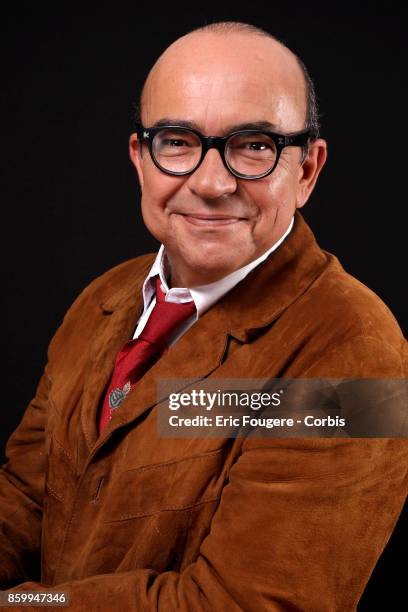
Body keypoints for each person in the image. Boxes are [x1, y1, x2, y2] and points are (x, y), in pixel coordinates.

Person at [1, 20, 407, 611]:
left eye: (254, 146)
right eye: (178, 141)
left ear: (308, 170)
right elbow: (26, 496)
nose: (211, 182)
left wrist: (24, 605)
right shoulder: (103, 300)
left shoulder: (358, 357)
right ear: (141, 157)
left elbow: (244, 604)